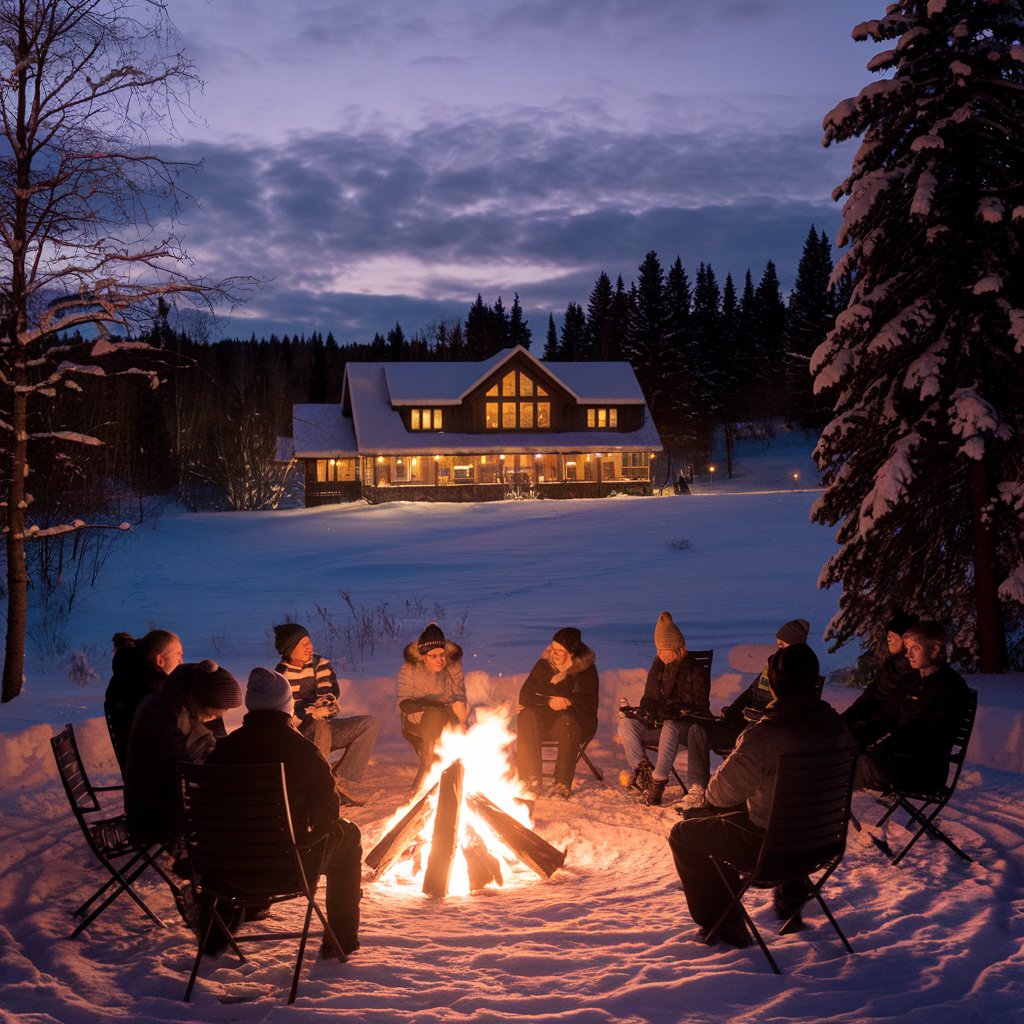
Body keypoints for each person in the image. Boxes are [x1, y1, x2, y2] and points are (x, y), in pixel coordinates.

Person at [667, 643, 854, 949]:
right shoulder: (838, 728)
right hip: (823, 844)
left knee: (686, 832)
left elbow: (718, 795)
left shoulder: (768, 735)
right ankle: (791, 895)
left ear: (776, 686)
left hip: (772, 852)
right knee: (743, 812)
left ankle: (724, 923)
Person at [205, 667, 362, 959]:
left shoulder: (221, 753)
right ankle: (342, 938)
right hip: (288, 868)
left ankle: (215, 935)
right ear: (287, 706)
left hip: (223, 871)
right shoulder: (303, 752)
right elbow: (328, 816)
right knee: (347, 834)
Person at [124, 659, 242, 846]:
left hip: (159, 801)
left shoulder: (172, 701)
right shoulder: (166, 718)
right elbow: (196, 768)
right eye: (214, 714)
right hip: (155, 815)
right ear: (197, 700)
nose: (215, 719)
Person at [854, 620, 971, 794]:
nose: (908, 654)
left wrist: (885, 749)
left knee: (853, 767)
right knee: (845, 759)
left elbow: (934, 736)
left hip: (924, 771)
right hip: (896, 759)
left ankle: (823, 812)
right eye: (907, 649)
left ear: (934, 649)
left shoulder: (951, 687)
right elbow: (885, 717)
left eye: (915, 648)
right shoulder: (914, 682)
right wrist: (853, 738)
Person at [274, 623, 380, 807]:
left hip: (326, 730)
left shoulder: (320, 665)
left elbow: (329, 695)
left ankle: (333, 780)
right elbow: (288, 715)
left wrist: (330, 704)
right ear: (290, 648)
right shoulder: (281, 676)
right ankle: (323, 786)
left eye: (310, 642)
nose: (310, 647)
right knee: (320, 723)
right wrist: (312, 712)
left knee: (369, 724)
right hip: (299, 738)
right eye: (304, 644)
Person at [618, 612, 711, 807]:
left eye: (664, 650)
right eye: (658, 649)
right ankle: (644, 774)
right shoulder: (658, 666)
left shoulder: (695, 671)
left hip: (683, 729)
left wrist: (663, 712)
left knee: (670, 724)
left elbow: (695, 708)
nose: (660, 654)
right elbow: (649, 698)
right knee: (627, 723)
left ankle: (658, 783)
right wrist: (643, 712)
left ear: (679, 649)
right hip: (659, 723)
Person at [704, 618, 811, 754]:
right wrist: (732, 711)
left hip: (765, 728)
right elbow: (751, 692)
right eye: (778, 645)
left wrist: (760, 717)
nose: (779, 650)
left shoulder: (798, 673)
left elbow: (787, 708)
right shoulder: (772, 665)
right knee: (702, 732)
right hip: (748, 720)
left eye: (783, 646)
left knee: (723, 739)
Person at [516, 627, 600, 799]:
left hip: (574, 724)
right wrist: (548, 701)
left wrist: (569, 701)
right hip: (545, 720)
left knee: (567, 722)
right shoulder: (544, 665)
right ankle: (530, 778)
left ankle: (561, 783)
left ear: (571, 653)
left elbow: (590, 703)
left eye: (559, 651)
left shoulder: (586, 670)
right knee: (525, 717)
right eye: (553, 648)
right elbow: (525, 694)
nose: (554, 653)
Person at [397, 623, 468, 789]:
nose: (440, 660)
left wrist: (459, 704)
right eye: (433, 656)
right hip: (417, 720)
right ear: (423, 656)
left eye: (442, 655)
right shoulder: (410, 669)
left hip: (447, 716)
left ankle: (458, 771)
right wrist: (430, 705)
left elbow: (458, 694)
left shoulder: (452, 667)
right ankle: (426, 770)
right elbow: (404, 703)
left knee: (455, 718)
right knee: (433, 715)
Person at [103, 629, 184, 767]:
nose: (181, 662)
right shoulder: (149, 692)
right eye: (178, 655)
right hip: (152, 771)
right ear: (160, 660)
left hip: (140, 765)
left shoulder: (128, 677)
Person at [842, 611, 918, 735]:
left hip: (882, 725)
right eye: (888, 635)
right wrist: (849, 715)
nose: (889, 638)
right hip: (869, 717)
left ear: (905, 640)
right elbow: (870, 692)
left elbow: (894, 708)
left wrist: (865, 724)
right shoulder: (890, 665)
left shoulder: (913, 671)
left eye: (893, 635)